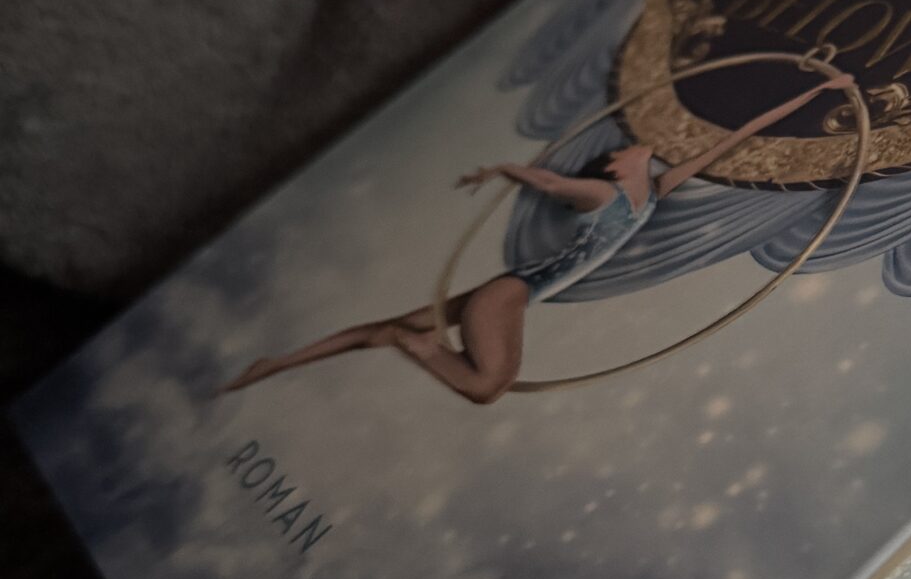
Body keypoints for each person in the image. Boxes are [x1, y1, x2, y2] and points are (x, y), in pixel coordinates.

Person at [223, 61, 859, 404]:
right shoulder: (604, 195)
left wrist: (821, 90)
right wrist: (502, 170)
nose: (644, 145)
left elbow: (739, 137)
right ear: (617, 161)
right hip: (514, 294)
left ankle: (276, 362)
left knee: (380, 330)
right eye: (632, 145)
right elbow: (551, 184)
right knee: (486, 387)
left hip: (511, 291)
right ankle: (411, 344)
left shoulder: (655, 193)